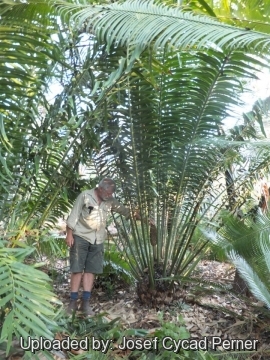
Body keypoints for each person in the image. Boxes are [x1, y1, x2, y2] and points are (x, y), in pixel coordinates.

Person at [65, 178, 137, 316]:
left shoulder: (109, 201)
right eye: (108, 193)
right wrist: (69, 235)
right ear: (100, 189)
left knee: (91, 271)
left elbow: (125, 211)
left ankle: (85, 303)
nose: (110, 196)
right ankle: (73, 302)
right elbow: (73, 216)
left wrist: (141, 216)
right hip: (81, 236)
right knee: (77, 269)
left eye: (111, 194)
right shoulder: (85, 196)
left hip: (98, 239)